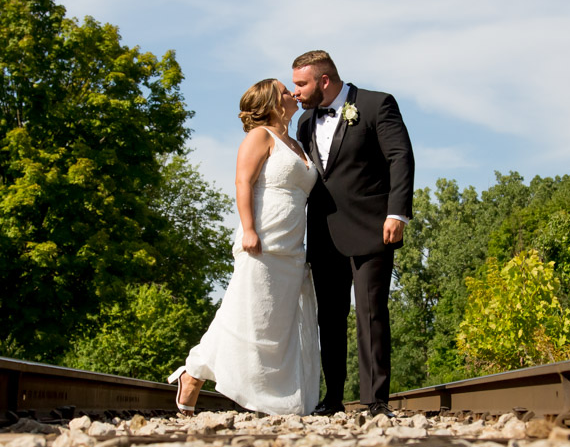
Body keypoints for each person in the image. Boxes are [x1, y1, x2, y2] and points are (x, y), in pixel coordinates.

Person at [168, 79, 320, 415]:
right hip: (262, 241)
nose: (292, 93)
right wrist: (249, 228)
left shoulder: (296, 143)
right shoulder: (260, 136)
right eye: (285, 91)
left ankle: (206, 376)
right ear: (272, 102)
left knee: (275, 324)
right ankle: (194, 372)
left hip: (292, 247)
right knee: (245, 315)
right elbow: (243, 181)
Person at [291, 50, 414, 417]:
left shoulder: (377, 105)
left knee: (371, 314)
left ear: (324, 81)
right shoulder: (304, 123)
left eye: (301, 84)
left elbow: (400, 157)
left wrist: (397, 212)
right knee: (329, 319)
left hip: (373, 228)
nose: (295, 92)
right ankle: (332, 399)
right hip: (323, 233)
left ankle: (375, 401)